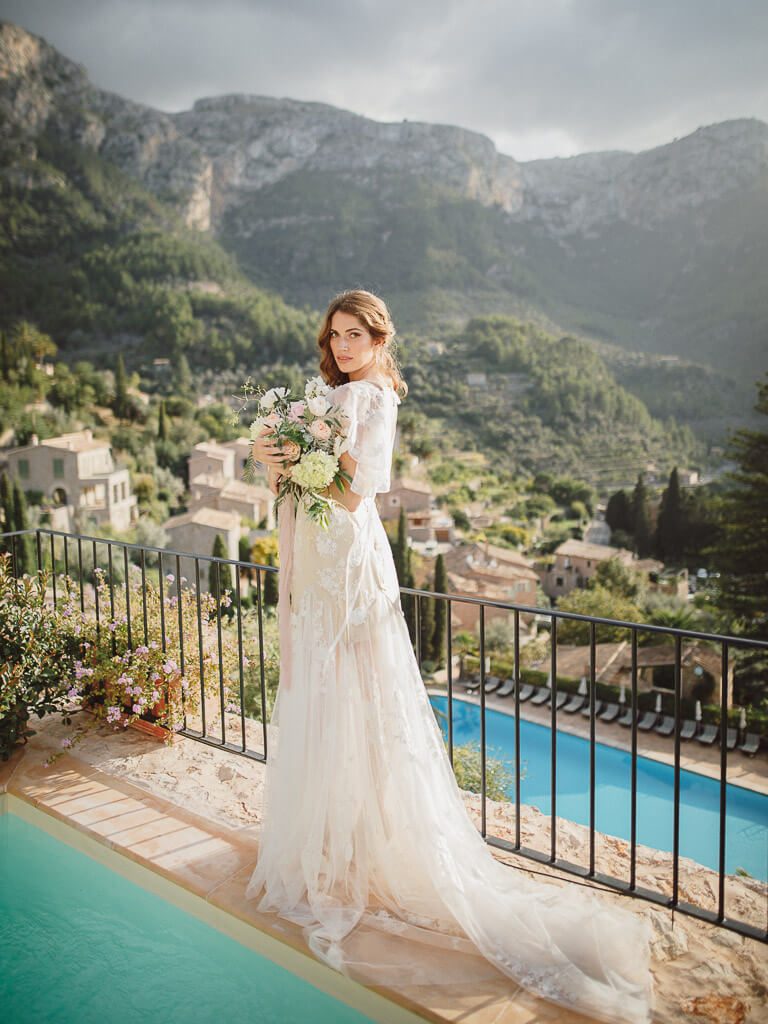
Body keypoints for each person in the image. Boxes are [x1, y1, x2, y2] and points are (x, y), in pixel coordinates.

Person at [245, 289, 654, 1023]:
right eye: (333, 335)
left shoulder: (370, 400)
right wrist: (274, 456)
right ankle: (340, 843)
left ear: (377, 339)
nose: (341, 346)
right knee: (326, 695)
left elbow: (354, 491)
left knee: (357, 694)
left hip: (348, 562)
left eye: (354, 334)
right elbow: (300, 482)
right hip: (318, 564)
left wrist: (298, 455)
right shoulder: (330, 396)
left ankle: (363, 848)